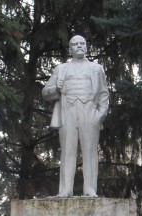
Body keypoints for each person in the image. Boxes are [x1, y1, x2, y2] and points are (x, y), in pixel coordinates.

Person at [42, 35, 109, 198]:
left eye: (82, 43)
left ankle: (90, 188)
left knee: (90, 151)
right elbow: (45, 93)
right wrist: (56, 90)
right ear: (70, 49)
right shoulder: (61, 69)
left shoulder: (97, 68)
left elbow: (104, 93)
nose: (79, 46)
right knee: (67, 150)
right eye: (75, 44)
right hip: (67, 111)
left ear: (86, 47)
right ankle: (65, 190)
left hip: (89, 111)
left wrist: (100, 115)